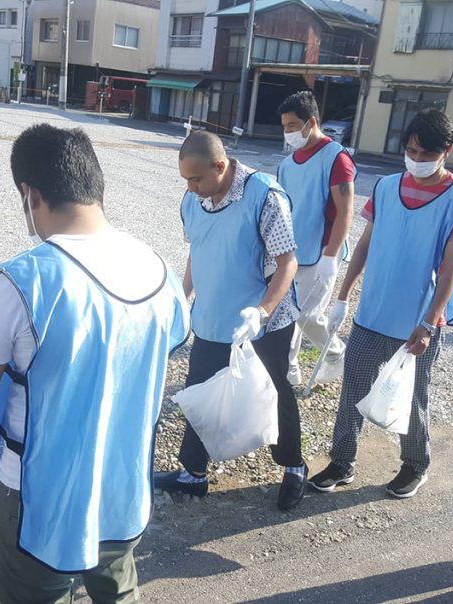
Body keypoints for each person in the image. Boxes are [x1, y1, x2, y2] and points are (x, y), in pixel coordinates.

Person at [0, 123, 190, 603]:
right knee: (117, 589)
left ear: (28, 192)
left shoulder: (20, 280)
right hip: (121, 484)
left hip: (37, 497)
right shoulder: (158, 270)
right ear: (95, 185)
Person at [309, 108, 453, 499]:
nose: (416, 160)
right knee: (353, 388)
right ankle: (342, 461)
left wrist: (429, 322)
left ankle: (415, 464)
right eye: (411, 151)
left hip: (416, 323)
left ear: (446, 152)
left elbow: (451, 268)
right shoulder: (386, 187)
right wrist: (343, 294)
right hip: (373, 312)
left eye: (425, 153)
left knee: (414, 395)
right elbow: (365, 244)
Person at [153, 130, 308, 510]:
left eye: (196, 179)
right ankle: (193, 473)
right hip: (212, 317)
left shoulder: (264, 196)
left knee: (274, 391)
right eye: (185, 180)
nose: (190, 188)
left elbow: (288, 261)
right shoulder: (193, 201)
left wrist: (263, 312)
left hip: (261, 320)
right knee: (199, 392)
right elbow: (198, 251)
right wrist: (182, 298)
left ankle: (293, 467)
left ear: (220, 166)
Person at [276, 90, 355, 385]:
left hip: (320, 252)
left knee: (307, 315)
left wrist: (330, 257)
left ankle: (335, 352)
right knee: (287, 315)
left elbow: (346, 211)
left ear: (311, 121)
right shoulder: (287, 164)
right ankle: (289, 371)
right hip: (290, 253)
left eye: (293, 126)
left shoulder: (336, 158)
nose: (288, 132)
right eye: (285, 127)